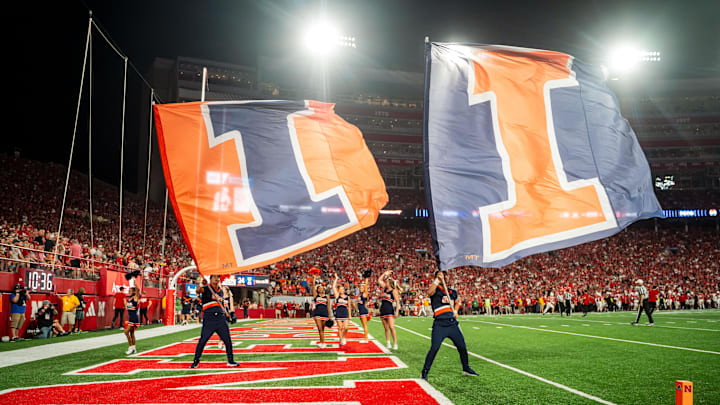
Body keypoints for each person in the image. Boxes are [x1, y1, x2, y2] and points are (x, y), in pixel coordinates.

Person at [421, 270, 478, 381]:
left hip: (452, 323)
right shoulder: (436, 290)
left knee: (462, 346)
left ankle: (466, 368)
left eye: (444, 276)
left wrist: (456, 311)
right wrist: (437, 280)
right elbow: (429, 292)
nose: (444, 278)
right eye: (441, 276)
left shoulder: (452, 292)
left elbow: (457, 302)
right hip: (440, 324)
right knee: (435, 348)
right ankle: (425, 371)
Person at [190, 275, 238, 368]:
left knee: (227, 340)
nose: (217, 279)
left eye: (218, 278)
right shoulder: (206, 288)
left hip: (220, 318)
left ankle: (230, 360)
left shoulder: (220, 291)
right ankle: (196, 361)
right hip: (209, 318)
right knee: (203, 340)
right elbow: (198, 290)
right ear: (210, 279)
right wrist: (201, 282)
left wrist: (228, 314)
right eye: (215, 277)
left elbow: (222, 303)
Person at [377, 270, 400, 350]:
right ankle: (388, 343)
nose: (385, 283)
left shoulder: (394, 291)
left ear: (389, 283)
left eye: (386, 282)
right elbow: (379, 280)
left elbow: (397, 302)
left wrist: (397, 311)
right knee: (386, 328)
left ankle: (395, 344)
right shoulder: (384, 289)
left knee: (391, 327)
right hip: (383, 310)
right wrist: (384, 273)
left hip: (390, 310)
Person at [311, 275, 330, 348]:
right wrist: (314, 279)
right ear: (317, 290)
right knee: (319, 328)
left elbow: (328, 306)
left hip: (325, 313)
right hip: (317, 313)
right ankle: (323, 342)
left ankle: (322, 342)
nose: (320, 289)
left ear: (323, 289)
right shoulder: (316, 296)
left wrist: (329, 316)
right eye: (319, 288)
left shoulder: (327, 297)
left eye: (321, 288)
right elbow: (313, 286)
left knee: (322, 329)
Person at [332, 275, 351, 346]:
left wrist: (350, 315)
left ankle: (342, 337)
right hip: (339, 313)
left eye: (342, 289)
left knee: (346, 328)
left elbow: (349, 307)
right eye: (340, 289)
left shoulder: (347, 297)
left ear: (344, 290)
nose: (341, 290)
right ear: (339, 290)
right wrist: (336, 278)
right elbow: (333, 287)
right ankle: (341, 340)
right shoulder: (337, 296)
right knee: (340, 328)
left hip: (345, 313)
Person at [124, 286, 141, 354]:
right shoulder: (130, 299)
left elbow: (137, 289)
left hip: (134, 318)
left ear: (134, 292)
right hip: (131, 317)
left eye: (130, 290)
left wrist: (134, 280)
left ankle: (130, 347)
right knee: (132, 333)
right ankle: (133, 348)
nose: (129, 291)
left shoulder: (135, 298)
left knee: (126, 332)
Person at [357, 277, 371, 343]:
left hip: (363, 311)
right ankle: (366, 338)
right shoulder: (360, 295)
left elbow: (366, 287)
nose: (361, 289)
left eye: (362, 288)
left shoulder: (364, 294)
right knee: (364, 325)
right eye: (360, 288)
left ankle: (366, 339)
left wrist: (366, 279)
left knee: (365, 325)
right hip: (361, 311)